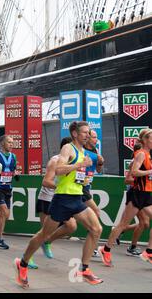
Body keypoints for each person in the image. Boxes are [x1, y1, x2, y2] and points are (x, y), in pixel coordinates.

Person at [14, 121, 103, 288]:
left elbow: (77, 176)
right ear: (75, 134)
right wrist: (79, 165)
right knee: (43, 235)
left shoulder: (84, 151)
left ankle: (84, 269)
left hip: (77, 198)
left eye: (88, 133)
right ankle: (23, 262)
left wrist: (83, 177)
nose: (87, 135)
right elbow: (59, 170)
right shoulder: (68, 148)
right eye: (84, 132)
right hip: (62, 199)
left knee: (96, 229)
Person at [99, 128, 152, 266]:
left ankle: (149, 252)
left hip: (146, 194)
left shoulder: (147, 154)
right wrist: (149, 171)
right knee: (123, 224)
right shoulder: (141, 154)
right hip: (137, 194)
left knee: (142, 223)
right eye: (151, 138)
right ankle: (106, 249)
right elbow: (133, 172)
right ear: (145, 140)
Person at [35, 137, 77, 261]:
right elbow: (46, 181)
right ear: (65, 148)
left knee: (71, 226)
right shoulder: (55, 161)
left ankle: (47, 242)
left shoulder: (72, 162)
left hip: (60, 199)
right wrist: (61, 187)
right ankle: (26, 259)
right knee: (43, 232)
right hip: (47, 200)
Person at [118, 143, 150, 256]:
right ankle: (132, 246)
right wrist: (143, 180)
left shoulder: (148, 160)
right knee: (144, 223)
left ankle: (122, 230)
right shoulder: (135, 161)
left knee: (145, 224)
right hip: (136, 193)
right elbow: (127, 180)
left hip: (145, 194)